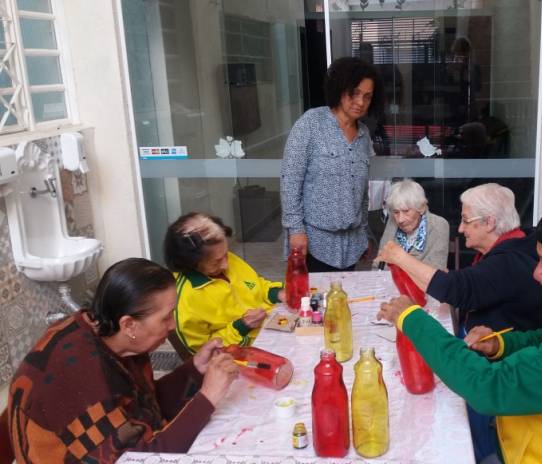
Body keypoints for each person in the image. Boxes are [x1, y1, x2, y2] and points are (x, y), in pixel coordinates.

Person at [377, 197, 542, 464]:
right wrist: (501, 344)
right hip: (521, 442)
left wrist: (410, 318)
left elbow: (487, 387)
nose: (537, 274)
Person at [376, 182, 542, 462]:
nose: (460, 228)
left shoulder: (508, 261)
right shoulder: (520, 239)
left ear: (490, 222)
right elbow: (470, 284)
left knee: (424, 407)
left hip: (498, 373)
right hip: (494, 345)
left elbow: (456, 290)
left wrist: (399, 257)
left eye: (467, 221)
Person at [7, 258, 239, 462]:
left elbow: (147, 407)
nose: (172, 326)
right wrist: (208, 397)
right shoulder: (83, 375)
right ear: (129, 324)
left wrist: (196, 369)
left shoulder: (112, 335)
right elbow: (139, 459)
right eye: (166, 318)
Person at [281, 56, 384, 272]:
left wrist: (364, 233)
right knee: (315, 303)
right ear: (339, 89)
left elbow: (361, 192)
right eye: (354, 93)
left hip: (352, 243)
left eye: (367, 96)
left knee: (343, 302)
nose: (360, 102)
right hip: (314, 241)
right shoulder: (311, 123)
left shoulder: (364, 135)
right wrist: (295, 229)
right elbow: (290, 181)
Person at [164, 212, 284, 354]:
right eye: (216, 261)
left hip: (271, 328)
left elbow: (256, 284)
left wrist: (276, 293)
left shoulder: (221, 256)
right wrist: (242, 326)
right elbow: (202, 354)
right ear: (191, 263)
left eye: (226, 254)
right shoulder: (185, 300)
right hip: (241, 355)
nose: (226, 264)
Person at [373, 179, 450, 270]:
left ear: (421, 207)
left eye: (406, 211)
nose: (400, 220)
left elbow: (435, 271)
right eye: (396, 212)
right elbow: (379, 264)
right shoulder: (392, 221)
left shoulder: (439, 225)